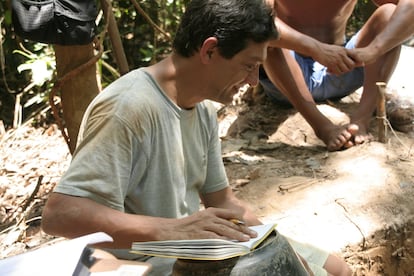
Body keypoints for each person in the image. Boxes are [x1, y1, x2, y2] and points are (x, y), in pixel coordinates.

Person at [41, 0, 351, 275]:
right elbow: (60, 215)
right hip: (142, 260)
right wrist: (174, 230)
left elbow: (222, 199)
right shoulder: (128, 107)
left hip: (192, 250)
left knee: (334, 269)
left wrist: (285, 251)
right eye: (248, 66)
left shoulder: (201, 107)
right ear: (210, 50)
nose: (253, 81)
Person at [260, 0, 414, 151]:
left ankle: (361, 119)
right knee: (268, 34)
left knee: (388, 14)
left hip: (343, 67)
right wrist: (316, 49)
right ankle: (322, 127)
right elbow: (257, 19)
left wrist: (373, 50)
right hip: (286, 76)